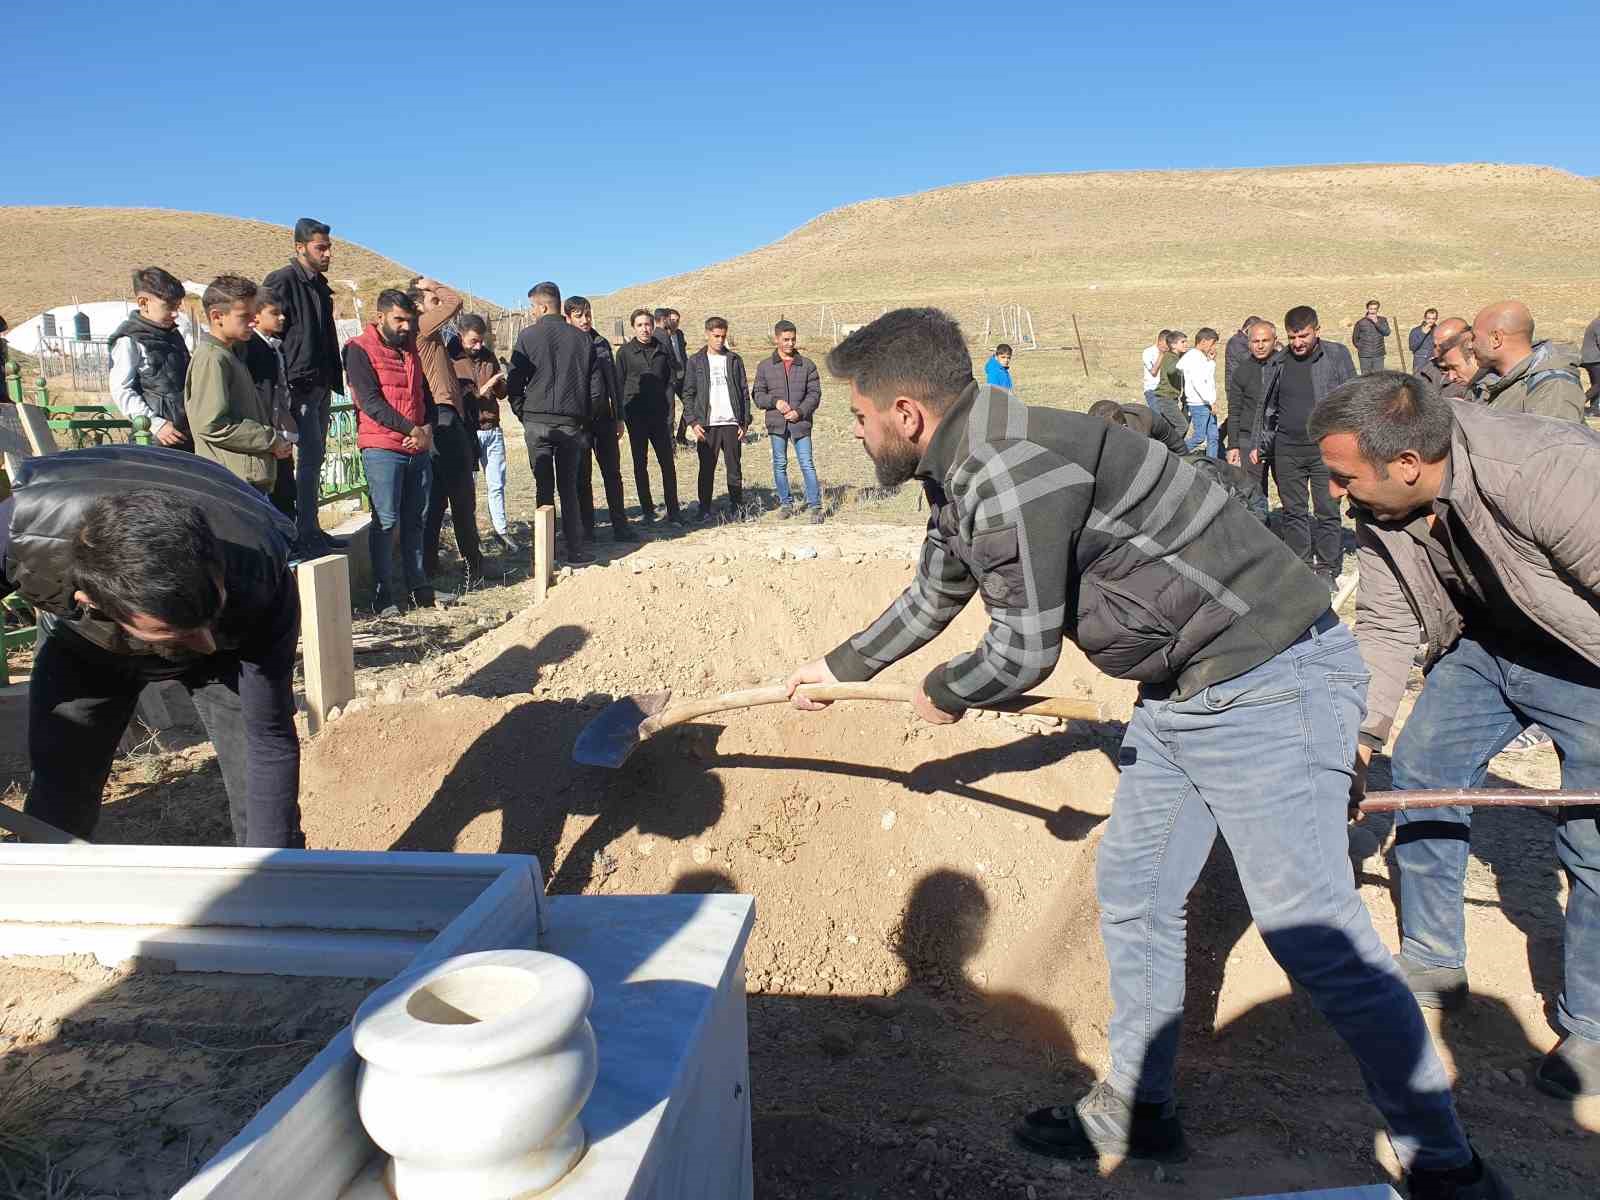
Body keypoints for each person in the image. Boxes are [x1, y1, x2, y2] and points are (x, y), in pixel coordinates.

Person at [781, 308, 1501, 1198]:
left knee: (1311, 928)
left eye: (856, 416)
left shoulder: (1005, 468)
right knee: (1137, 888)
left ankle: (1443, 1160)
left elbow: (1021, 649)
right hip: (1182, 692)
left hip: (1267, 680)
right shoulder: (965, 463)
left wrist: (949, 692)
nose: (852, 432)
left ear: (906, 412)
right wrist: (834, 670)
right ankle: (1138, 1108)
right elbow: (937, 588)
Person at [1313, 372, 1600, 1104]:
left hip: (1586, 661)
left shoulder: (1548, 471)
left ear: (1407, 463)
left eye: (1346, 479)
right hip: (1486, 648)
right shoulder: (1383, 504)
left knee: (1594, 836)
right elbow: (1383, 624)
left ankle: (1592, 1025)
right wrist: (1362, 738)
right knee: (1419, 773)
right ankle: (1435, 959)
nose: (1339, 494)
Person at [2, 447, 303, 847]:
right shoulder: (16, 538)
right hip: (84, 648)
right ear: (90, 600)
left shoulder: (259, 578)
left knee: (257, 789)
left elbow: (268, 739)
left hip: (238, 637)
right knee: (62, 786)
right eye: (176, 631)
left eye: (208, 618)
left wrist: (274, 869)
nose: (205, 642)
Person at [345, 290, 439, 614]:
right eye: (399, 320)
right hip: (383, 447)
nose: (405, 327)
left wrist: (426, 430)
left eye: (409, 321)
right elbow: (370, 402)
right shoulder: (358, 349)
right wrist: (411, 430)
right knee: (386, 521)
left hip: (417, 448)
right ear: (380, 316)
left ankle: (419, 586)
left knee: (416, 519)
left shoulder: (410, 348)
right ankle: (384, 594)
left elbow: (423, 394)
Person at [1256, 305, 1356, 590]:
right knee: (1293, 510)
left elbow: (1353, 397)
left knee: (1327, 509)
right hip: (1287, 448)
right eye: (1292, 337)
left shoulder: (1336, 355)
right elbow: (1267, 407)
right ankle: (1300, 566)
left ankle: (1327, 567)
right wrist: (1262, 443)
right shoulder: (1278, 362)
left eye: (1303, 335)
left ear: (1317, 331)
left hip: (1325, 449)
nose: (1298, 343)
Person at [263, 219, 347, 555]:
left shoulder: (320, 286)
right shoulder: (282, 282)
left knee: (315, 460)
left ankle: (310, 529)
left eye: (328, 247)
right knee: (295, 463)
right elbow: (270, 331)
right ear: (300, 248)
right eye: (320, 248)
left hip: (320, 384)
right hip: (296, 387)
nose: (327, 254)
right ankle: (297, 534)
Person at [507, 281, 603, 565]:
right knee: (569, 489)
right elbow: (595, 389)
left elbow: (514, 383)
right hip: (571, 425)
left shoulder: (527, 337)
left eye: (532, 307)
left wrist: (523, 413)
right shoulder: (583, 339)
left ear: (543, 305)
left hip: (537, 423)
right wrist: (583, 417)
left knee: (543, 488)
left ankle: (545, 553)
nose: (531, 312)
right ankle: (576, 551)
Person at [184, 275, 292, 495]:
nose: (253, 322)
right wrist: (271, 440)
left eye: (254, 315)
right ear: (217, 316)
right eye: (245, 316)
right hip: (231, 483)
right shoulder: (212, 358)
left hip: (243, 480)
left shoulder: (230, 354)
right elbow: (211, 424)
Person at [408, 277, 483, 591]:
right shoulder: (423, 326)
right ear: (417, 304)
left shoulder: (426, 331)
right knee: (462, 494)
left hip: (442, 416)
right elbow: (455, 302)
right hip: (443, 417)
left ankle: (429, 563)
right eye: (429, 299)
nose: (436, 303)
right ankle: (473, 564)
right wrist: (433, 283)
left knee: (437, 498)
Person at [565, 297, 634, 543]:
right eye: (579, 315)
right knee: (582, 478)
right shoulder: (564, 344)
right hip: (578, 423)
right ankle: (587, 529)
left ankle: (621, 526)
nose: (585, 320)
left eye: (588, 314)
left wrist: (619, 417)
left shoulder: (601, 343)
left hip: (604, 419)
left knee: (612, 474)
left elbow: (613, 383)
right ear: (568, 318)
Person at [451, 314, 517, 555]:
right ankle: (471, 538)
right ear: (461, 336)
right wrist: (486, 387)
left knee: (497, 484)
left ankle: (501, 531)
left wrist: (500, 383)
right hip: (468, 432)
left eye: (481, 341)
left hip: (493, 429)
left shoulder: (489, 357)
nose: (478, 346)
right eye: (473, 341)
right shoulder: (452, 360)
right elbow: (463, 397)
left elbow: (501, 395)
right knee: (469, 488)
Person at [108, 267, 192, 450]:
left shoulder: (173, 334)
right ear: (143, 302)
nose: (175, 314)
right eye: (169, 307)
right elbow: (121, 389)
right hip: (155, 441)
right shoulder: (128, 340)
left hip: (183, 435)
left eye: (177, 307)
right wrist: (156, 424)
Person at [616, 308, 685, 527]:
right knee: (640, 464)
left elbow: (669, 381)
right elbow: (619, 384)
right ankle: (647, 510)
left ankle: (674, 511)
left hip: (659, 416)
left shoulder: (662, 350)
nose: (645, 329)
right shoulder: (625, 353)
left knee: (667, 464)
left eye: (647, 324)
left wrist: (668, 411)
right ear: (633, 328)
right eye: (640, 325)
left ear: (653, 326)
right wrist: (621, 415)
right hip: (636, 417)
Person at [752, 319, 824, 523]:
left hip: (800, 424)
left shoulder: (807, 365)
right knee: (780, 464)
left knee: (806, 463)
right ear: (776, 339)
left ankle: (815, 506)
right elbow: (757, 395)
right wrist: (775, 402)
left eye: (793, 339)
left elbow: (815, 394)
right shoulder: (765, 366)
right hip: (776, 423)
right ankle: (786, 503)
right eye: (785, 339)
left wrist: (799, 412)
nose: (790, 343)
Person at [1468, 301, 1585, 421]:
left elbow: (1553, 437)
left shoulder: (1554, 387)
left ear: (1496, 339)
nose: (1470, 346)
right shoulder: (1488, 381)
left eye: (1474, 338)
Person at [682, 316, 749, 521]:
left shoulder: (734, 360)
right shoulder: (695, 361)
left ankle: (737, 507)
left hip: (731, 423)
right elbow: (688, 393)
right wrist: (693, 422)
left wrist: (744, 423)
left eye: (723, 336)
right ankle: (704, 509)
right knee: (706, 469)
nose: (720, 340)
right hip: (707, 425)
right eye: (716, 336)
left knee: (734, 468)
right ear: (707, 334)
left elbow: (744, 391)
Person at [243, 287, 302, 520]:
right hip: (264, 434)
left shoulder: (275, 346)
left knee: (286, 492)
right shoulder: (250, 348)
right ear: (256, 316)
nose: (282, 318)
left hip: (281, 431)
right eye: (274, 313)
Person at [1223, 318, 1276, 521]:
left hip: (1279, 437)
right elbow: (1234, 410)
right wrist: (1233, 445)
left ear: (1274, 340)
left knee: (1288, 490)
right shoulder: (1242, 371)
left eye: (1265, 340)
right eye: (1255, 341)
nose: (1260, 345)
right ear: (1248, 342)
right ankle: (1261, 531)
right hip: (1248, 438)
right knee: (1253, 489)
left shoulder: (1284, 367)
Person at [1177, 327, 1219, 457]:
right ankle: (1177, 453)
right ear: (1204, 341)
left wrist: (1211, 361)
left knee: (1213, 436)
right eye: (1212, 343)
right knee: (1199, 437)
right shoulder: (1193, 358)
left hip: (1206, 402)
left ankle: (1213, 462)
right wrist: (1210, 401)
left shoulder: (1200, 357)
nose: (1213, 347)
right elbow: (1199, 383)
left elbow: (1207, 377)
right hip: (1199, 404)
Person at [654, 307, 689, 445]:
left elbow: (682, 352)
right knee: (670, 412)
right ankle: (670, 442)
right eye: (672, 319)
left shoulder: (679, 334)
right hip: (668, 380)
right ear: (666, 320)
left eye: (677, 320)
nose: (675, 322)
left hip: (682, 377)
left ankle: (681, 435)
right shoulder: (660, 335)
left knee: (691, 404)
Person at [1428, 318, 1480, 401]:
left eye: (1444, 346)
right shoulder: (1426, 372)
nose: (1438, 352)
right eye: (1435, 345)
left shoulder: (1487, 386)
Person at [1151, 329, 1188, 436]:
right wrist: (1182, 363)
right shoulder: (1169, 357)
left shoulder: (1177, 357)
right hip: (1165, 398)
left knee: (1169, 428)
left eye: (1186, 341)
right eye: (1183, 342)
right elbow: (1171, 370)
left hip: (1170, 398)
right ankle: (1172, 448)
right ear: (1173, 345)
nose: (1186, 344)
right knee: (1182, 425)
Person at [1353, 299, 1392, 374]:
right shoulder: (1361, 322)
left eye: (1375, 309)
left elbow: (1387, 332)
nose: (1373, 311)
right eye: (1371, 309)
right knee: (1365, 378)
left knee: (1378, 377)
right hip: (1365, 355)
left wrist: (1376, 322)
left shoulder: (1382, 320)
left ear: (1377, 309)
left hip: (1379, 354)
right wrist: (1362, 348)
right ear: (1367, 309)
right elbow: (1355, 339)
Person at [1141, 331, 1170, 413]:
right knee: (1158, 417)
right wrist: (1161, 354)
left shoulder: (1170, 353)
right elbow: (1153, 372)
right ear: (1160, 341)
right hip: (1153, 390)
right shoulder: (1148, 352)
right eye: (1166, 343)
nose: (1168, 346)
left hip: (1166, 391)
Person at [1581, 313, 1600, 414]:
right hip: (1593, 359)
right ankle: (1580, 402)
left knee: (1596, 384)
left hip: (1592, 358)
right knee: (1598, 384)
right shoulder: (1598, 324)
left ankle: (1594, 409)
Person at [1410, 308, 1439, 373]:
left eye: (1433, 319)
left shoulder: (1438, 331)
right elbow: (1412, 347)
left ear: (1436, 319)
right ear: (1425, 318)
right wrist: (1423, 334)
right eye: (1428, 318)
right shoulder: (1416, 331)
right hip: (1420, 362)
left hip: (1433, 362)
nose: (1431, 321)